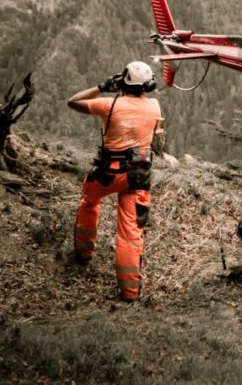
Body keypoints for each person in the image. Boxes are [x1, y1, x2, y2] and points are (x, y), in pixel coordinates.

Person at [67, 61, 163, 302]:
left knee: (89, 201)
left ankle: (84, 252)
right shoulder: (154, 105)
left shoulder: (109, 105)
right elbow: (158, 136)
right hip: (138, 176)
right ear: (148, 85)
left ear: (122, 81)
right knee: (131, 233)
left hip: (108, 174)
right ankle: (129, 292)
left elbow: (73, 101)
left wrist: (101, 87)